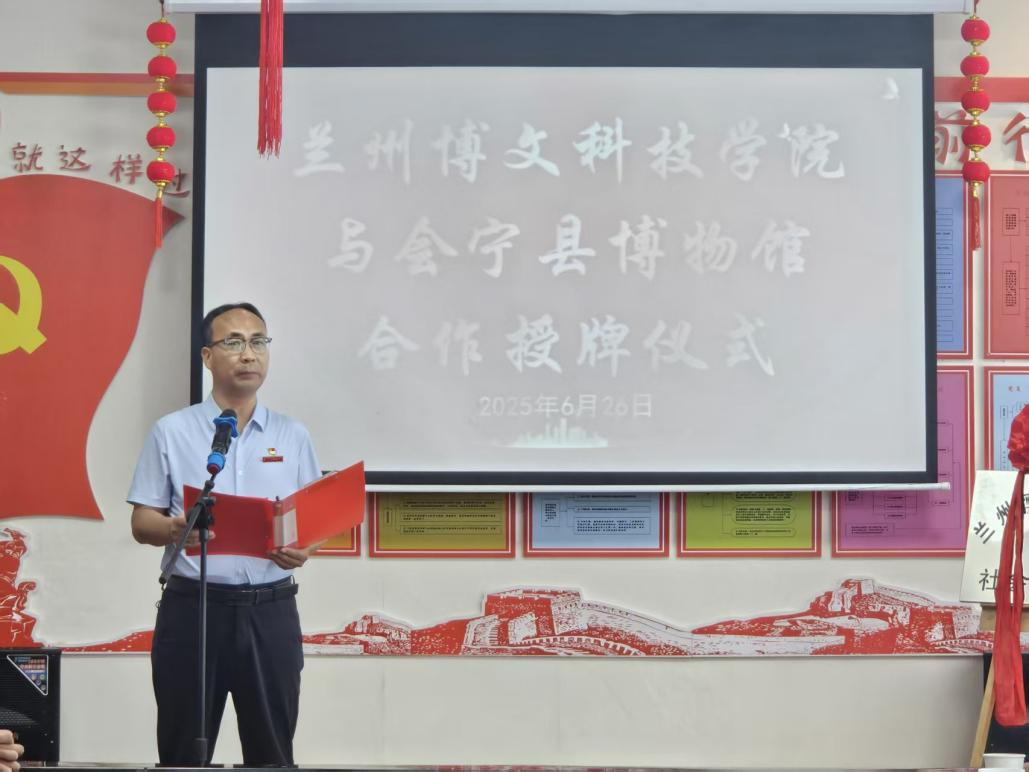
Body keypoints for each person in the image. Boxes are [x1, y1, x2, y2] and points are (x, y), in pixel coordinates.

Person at [128, 302, 322, 766]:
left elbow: (314, 521)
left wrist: (303, 548)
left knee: (272, 754)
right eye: (233, 342)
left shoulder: (293, 435)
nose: (249, 354)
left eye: (258, 342)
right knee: (183, 753)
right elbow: (142, 522)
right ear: (207, 356)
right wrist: (175, 528)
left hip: (270, 610)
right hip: (194, 609)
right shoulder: (172, 431)